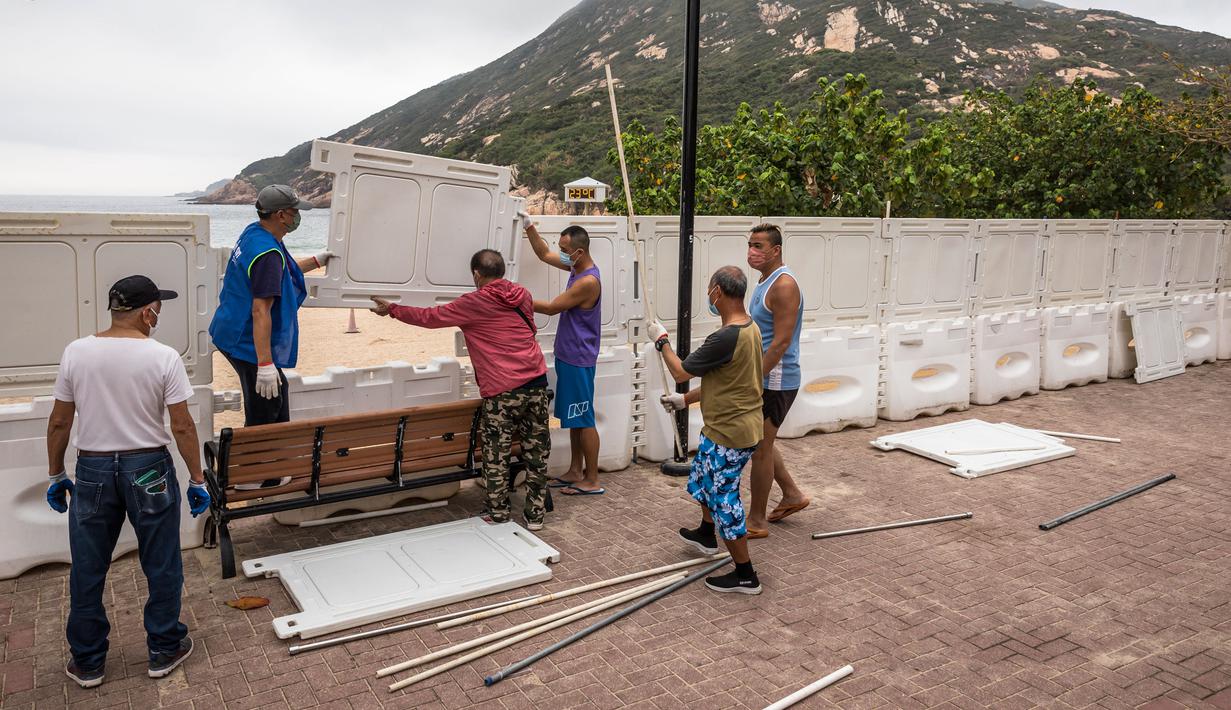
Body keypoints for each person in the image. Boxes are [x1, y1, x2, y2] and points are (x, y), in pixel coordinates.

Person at [45, 275, 212, 688]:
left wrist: (56, 473)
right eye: (158, 308)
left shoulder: (76, 352)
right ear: (147, 311)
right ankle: (163, 647)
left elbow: (61, 420)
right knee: (161, 561)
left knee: (88, 566)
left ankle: (87, 661)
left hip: (94, 470)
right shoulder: (162, 356)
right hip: (149, 469)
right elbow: (183, 426)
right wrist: (197, 478)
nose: (158, 316)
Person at [369, 249, 551, 530]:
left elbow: (430, 318)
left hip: (503, 389)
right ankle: (535, 516)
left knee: (496, 454)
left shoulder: (474, 303)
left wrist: (392, 309)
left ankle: (499, 513)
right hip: (537, 382)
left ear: (477, 275)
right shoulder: (523, 295)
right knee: (537, 454)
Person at [648, 266, 764, 595]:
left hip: (731, 433)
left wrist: (661, 340)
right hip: (728, 427)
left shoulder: (725, 337)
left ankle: (745, 574)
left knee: (724, 499)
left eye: (709, 289)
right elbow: (725, 381)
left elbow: (681, 369)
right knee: (701, 479)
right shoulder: (749, 328)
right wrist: (685, 400)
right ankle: (705, 533)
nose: (708, 295)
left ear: (718, 293)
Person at [208, 184, 332, 488]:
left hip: (229, 329)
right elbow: (260, 310)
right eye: (295, 212)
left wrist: (317, 261)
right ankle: (250, 477)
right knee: (266, 402)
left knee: (276, 396)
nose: (297, 217)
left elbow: (281, 271)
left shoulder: (255, 234)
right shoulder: (267, 253)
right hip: (246, 339)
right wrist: (265, 364)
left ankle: (269, 466)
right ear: (281, 214)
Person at [520, 215, 604, 496]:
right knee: (574, 417)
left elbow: (552, 307)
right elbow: (544, 254)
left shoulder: (587, 281)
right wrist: (529, 227)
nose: (562, 253)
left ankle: (591, 479)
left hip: (579, 357)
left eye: (566, 250)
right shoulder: (576, 267)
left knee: (585, 418)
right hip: (570, 355)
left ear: (579, 252)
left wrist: (512, 298)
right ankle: (575, 470)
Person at [744, 224, 810, 538]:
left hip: (777, 378)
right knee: (763, 443)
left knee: (760, 449)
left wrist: (753, 378)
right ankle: (792, 494)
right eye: (750, 245)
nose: (752, 252)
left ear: (776, 250)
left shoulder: (784, 286)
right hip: (766, 375)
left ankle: (756, 521)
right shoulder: (765, 281)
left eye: (758, 246)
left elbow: (781, 342)